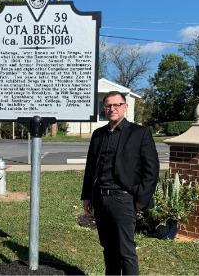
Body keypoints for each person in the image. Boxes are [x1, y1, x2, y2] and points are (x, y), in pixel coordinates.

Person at [81, 91, 159, 275]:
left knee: (126, 252)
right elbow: (90, 168)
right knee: (109, 249)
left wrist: (141, 199)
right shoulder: (98, 135)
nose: (112, 109)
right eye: (108, 105)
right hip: (100, 199)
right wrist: (87, 196)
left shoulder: (140, 133)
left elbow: (152, 170)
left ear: (125, 107)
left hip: (123, 200)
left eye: (117, 105)